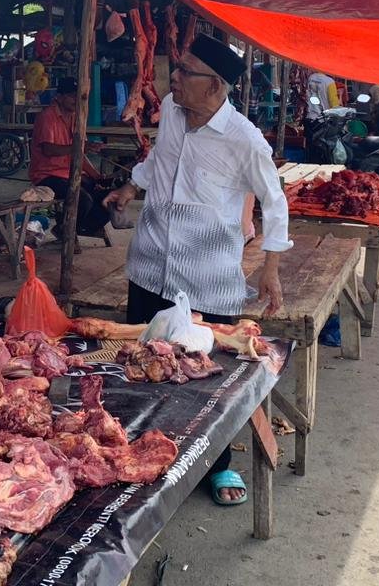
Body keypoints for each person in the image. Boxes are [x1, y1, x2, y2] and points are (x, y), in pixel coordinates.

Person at [104, 35, 291, 506]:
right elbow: (158, 162)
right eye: (179, 69)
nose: (175, 78)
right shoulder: (170, 109)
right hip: (150, 266)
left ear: (215, 87)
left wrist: (270, 268)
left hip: (207, 277)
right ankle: (146, 451)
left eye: (186, 71)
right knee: (144, 358)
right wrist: (130, 188)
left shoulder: (243, 139)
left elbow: (275, 201)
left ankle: (219, 465)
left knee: (210, 375)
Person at [28, 76, 112, 238]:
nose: (76, 99)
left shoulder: (76, 118)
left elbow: (79, 154)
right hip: (47, 175)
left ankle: (78, 228)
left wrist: (97, 176)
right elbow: (48, 150)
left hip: (69, 174)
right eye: (71, 95)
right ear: (59, 97)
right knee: (82, 199)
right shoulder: (47, 117)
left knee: (107, 195)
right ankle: (66, 230)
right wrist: (79, 147)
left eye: (78, 95)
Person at [301, 65, 339, 162]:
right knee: (323, 151)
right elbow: (334, 105)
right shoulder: (329, 82)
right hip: (323, 121)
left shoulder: (311, 78)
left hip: (310, 119)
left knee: (311, 148)